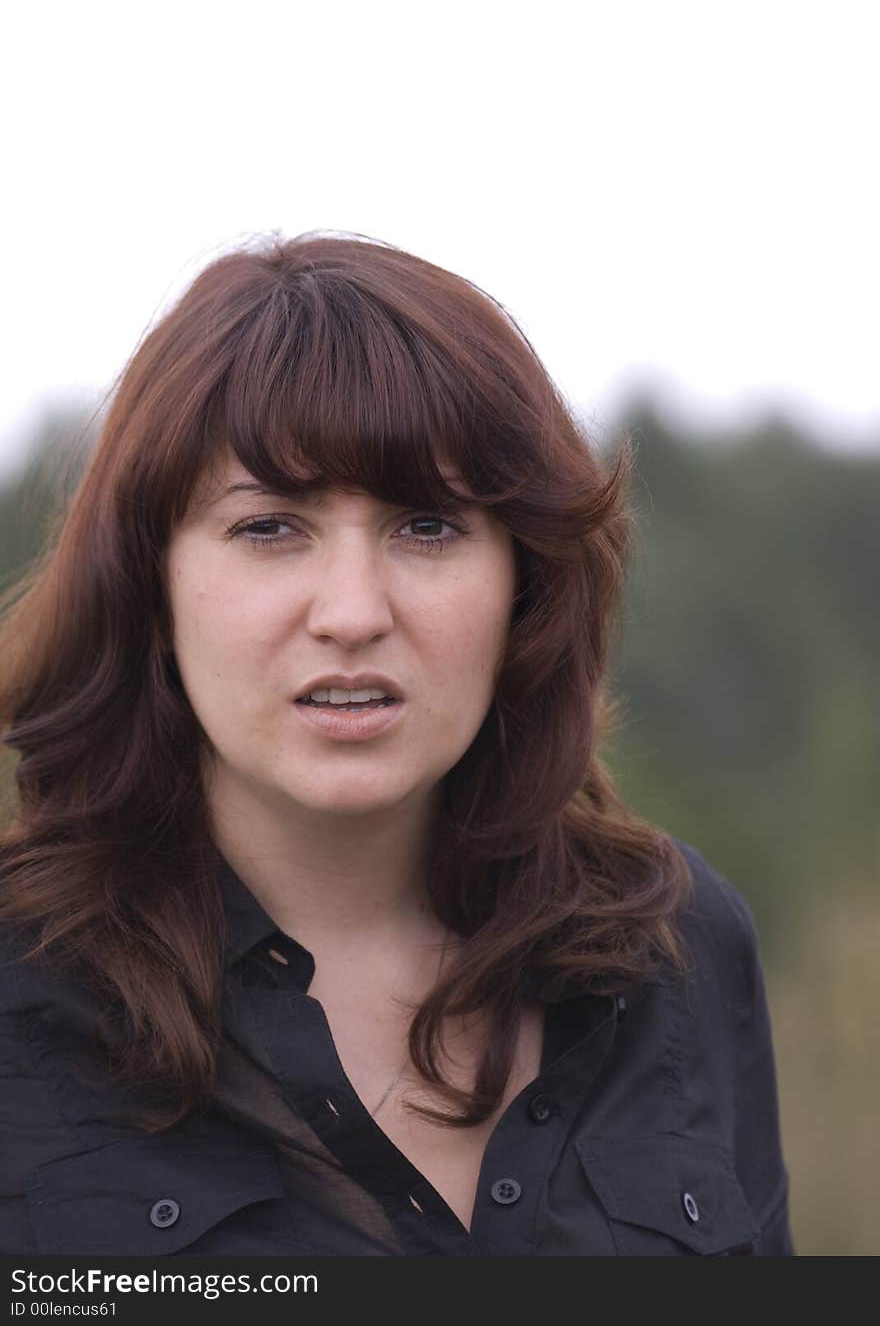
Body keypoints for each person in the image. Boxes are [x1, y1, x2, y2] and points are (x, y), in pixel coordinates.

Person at [0, 231, 793, 1256]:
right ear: (149, 585)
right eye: (270, 526)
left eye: (427, 526)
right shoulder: (24, 991)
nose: (351, 611)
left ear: (525, 583)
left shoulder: (678, 946)